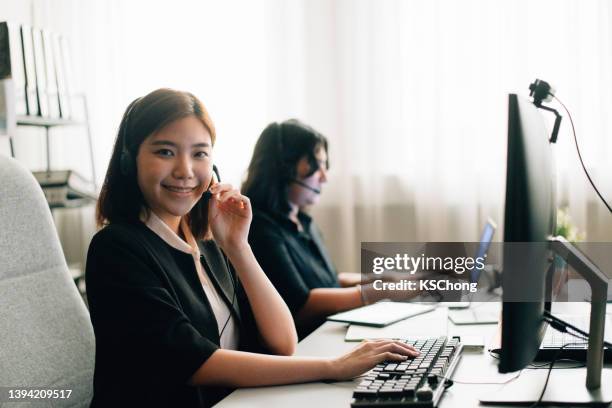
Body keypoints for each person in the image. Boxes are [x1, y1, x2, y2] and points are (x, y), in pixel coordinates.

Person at [86, 90, 418, 407]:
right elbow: (195, 363)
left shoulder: (208, 246)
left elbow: (283, 342)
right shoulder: (117, 249)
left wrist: (238, 248)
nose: (185, 171)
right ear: (130, 161)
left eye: (200, 153)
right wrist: (333, 367)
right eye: (165, 152)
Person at [242, 120, 375, 338]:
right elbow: (303, 305)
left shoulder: (303, 222)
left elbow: (329, 281)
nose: (324, 177)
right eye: (316, 165)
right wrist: (384, 291)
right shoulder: (259, 228)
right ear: (283, 167)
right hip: (304, 343)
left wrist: (385, 278)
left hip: (327, 333)